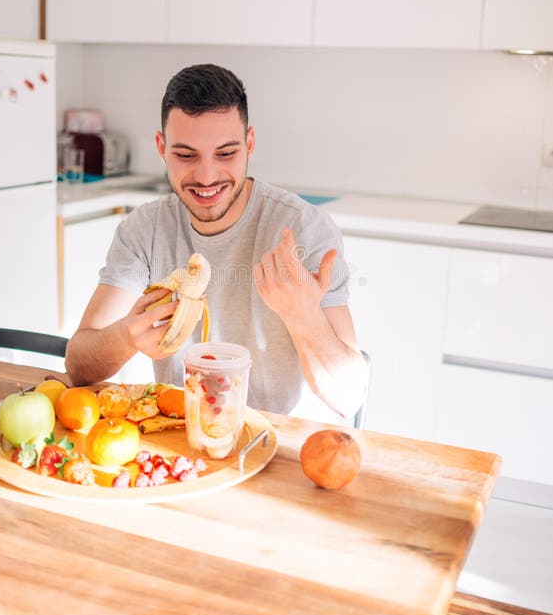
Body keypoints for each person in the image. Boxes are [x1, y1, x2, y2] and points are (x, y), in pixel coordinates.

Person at [65, 64, 367, 420]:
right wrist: (125, 338)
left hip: (278, 446)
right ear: (161, 148)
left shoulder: (303, 229)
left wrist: (304, 318)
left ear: (249, 144)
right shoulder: (144, 229)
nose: (206, 177)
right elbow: (78, 367)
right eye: (186, 155)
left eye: (226, 154)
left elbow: (348, 399)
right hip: (179, 440)